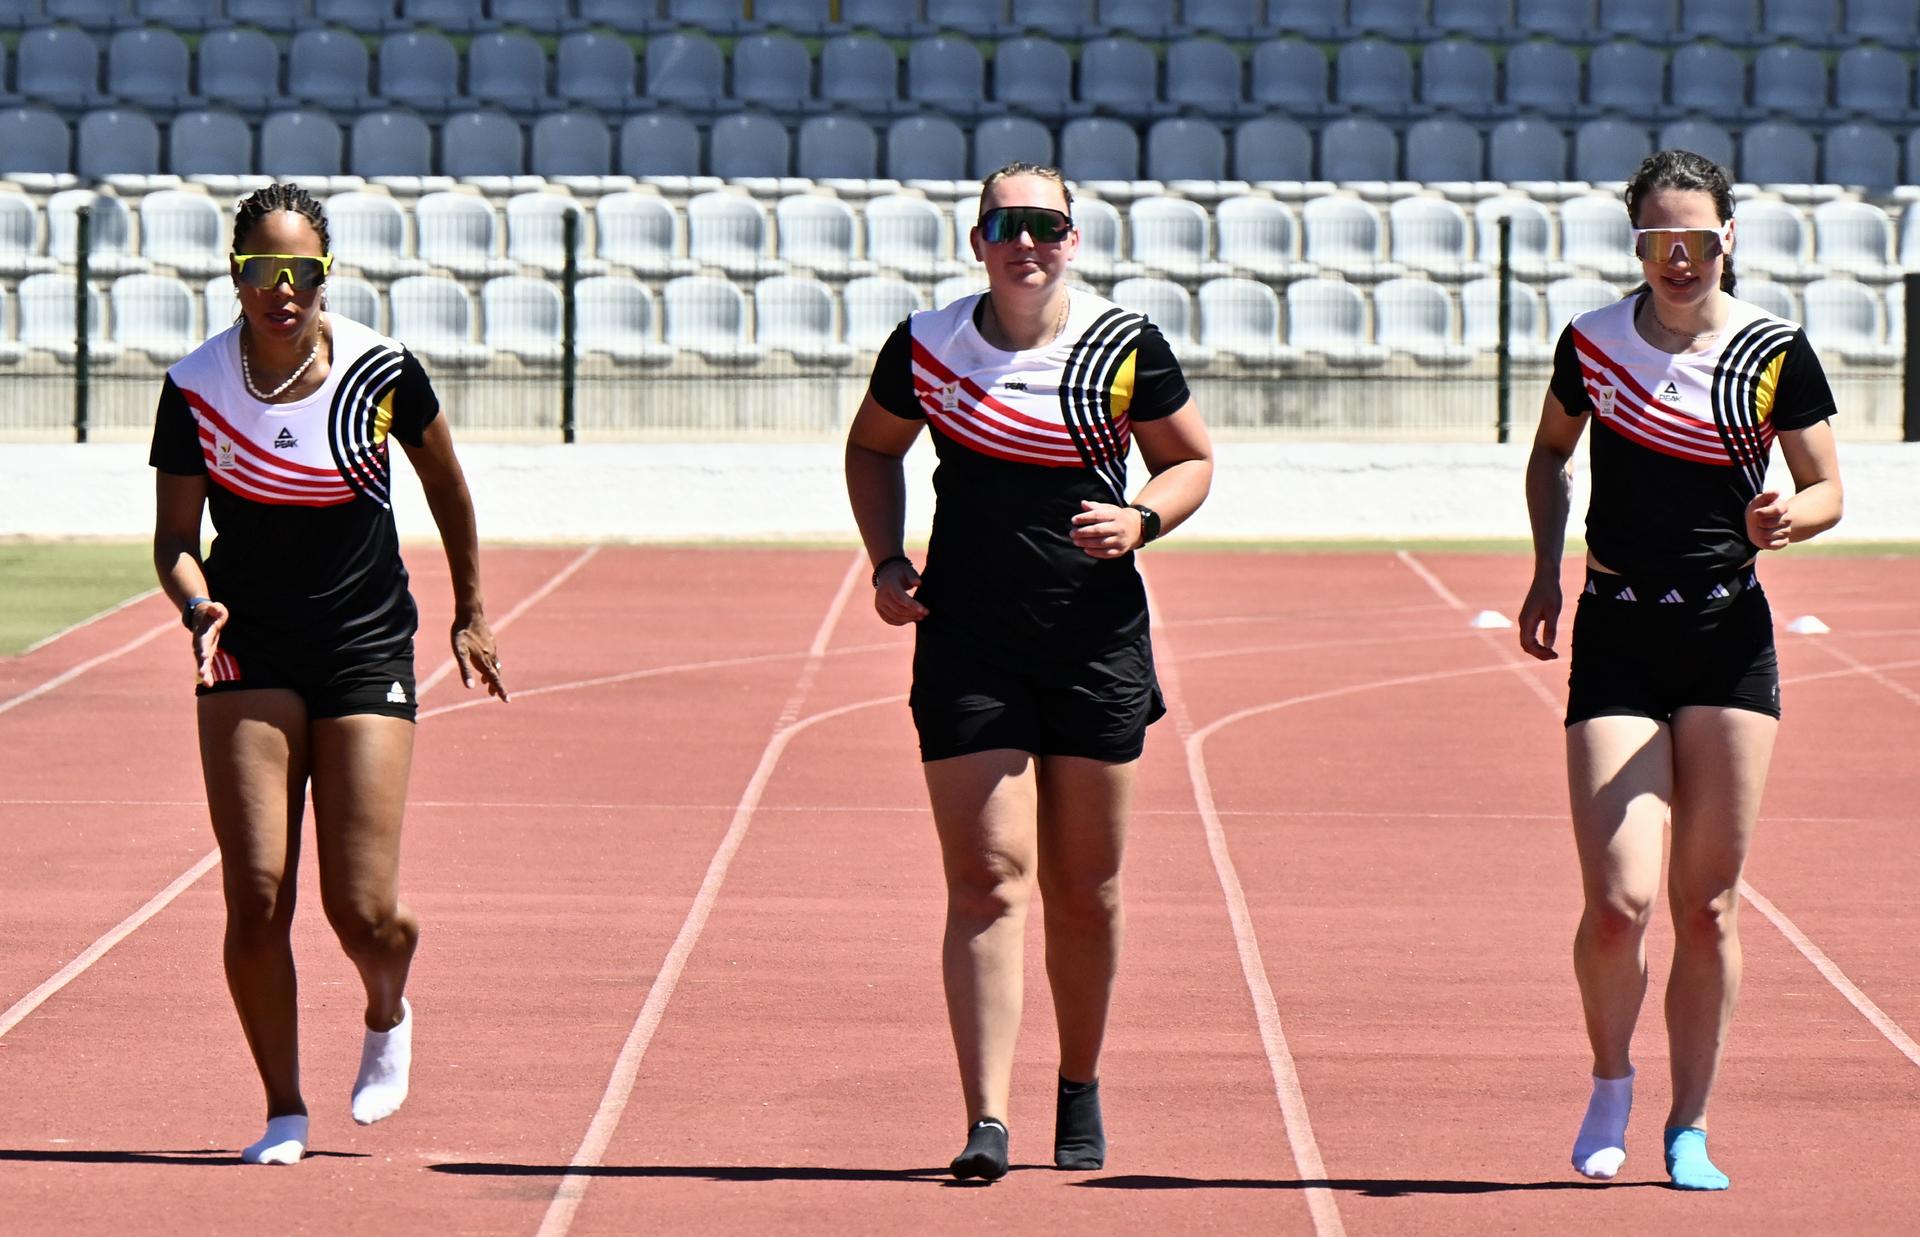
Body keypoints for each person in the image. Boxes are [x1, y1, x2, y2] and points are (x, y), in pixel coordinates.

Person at [844, 163, 1213, 1181]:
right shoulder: (926, 345)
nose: (1027, 242)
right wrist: (886, 559)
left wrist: (1142, 517)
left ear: (1073, 238)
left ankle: (1079, 1082)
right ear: (977, 240)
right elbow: (872, 450)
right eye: (1007, 224)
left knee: (1085, 890)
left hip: (1094, 644)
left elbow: (1191, 462)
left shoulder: (1122, 343)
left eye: (1045, 224)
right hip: (967, 640)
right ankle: (987, 1118)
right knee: (987, 879)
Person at [149, 184, 509, 1165]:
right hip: (246, 645)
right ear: (236, 274)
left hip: (362, 644)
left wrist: (471, 610)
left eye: (300, 271)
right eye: (262, 269)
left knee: (363, 908)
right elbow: (176, 539)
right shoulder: (195, 387)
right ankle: (283, 1109)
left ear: (324, 275)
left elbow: (446, 486)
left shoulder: (380, 372)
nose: (282, 289)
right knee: (257, 893)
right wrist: (195, 601)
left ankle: (388, 1003)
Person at [1518, 149, 1843, 1191]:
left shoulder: (1770, 350)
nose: (1679, 258)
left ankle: (1689, 1123)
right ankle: (1610, 1078)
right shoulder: (1593, 344)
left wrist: (1792, 515)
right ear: (1638, 246)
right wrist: (1542, 573)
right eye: (1659, 240)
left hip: (1726, 637)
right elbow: (1550, 454)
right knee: (1620, 899)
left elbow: (1828, 483)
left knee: (1707, 905)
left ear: (1728, 240)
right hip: (1617, 628)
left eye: (1697, 239)